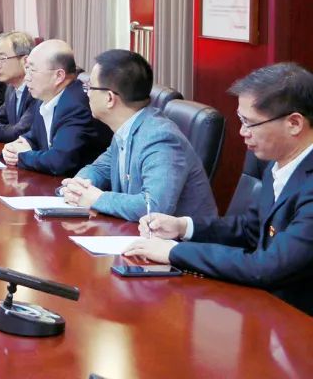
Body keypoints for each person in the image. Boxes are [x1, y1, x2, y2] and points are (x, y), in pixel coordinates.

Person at [125, 63, 313, 315]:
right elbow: (249, 229)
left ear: (294, 123)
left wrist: (175, 252)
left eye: (250, 123)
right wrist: (183, 227)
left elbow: (269, 266)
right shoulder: (279, 162)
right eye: (241, 120)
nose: (242, 132)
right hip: (268, 309)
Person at [59, 49, 217, 221]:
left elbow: (153, 206)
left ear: (110, 98)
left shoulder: (161, 138)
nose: (87, 93)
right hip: (137, 232)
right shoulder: (126, 128)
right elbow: (99, 169)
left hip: (180, 238)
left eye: (90, 87)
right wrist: (78, 185)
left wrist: (97, 199)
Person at [1, 39, 110, 176]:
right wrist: (14, 148)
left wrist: (21, 156)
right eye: (26, 69)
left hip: (78, 183)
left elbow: (59, 161)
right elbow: (33, 137)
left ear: (59, 76)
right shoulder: (45, 98)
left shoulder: (76, 105)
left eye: (32, 70)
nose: (27, 78)